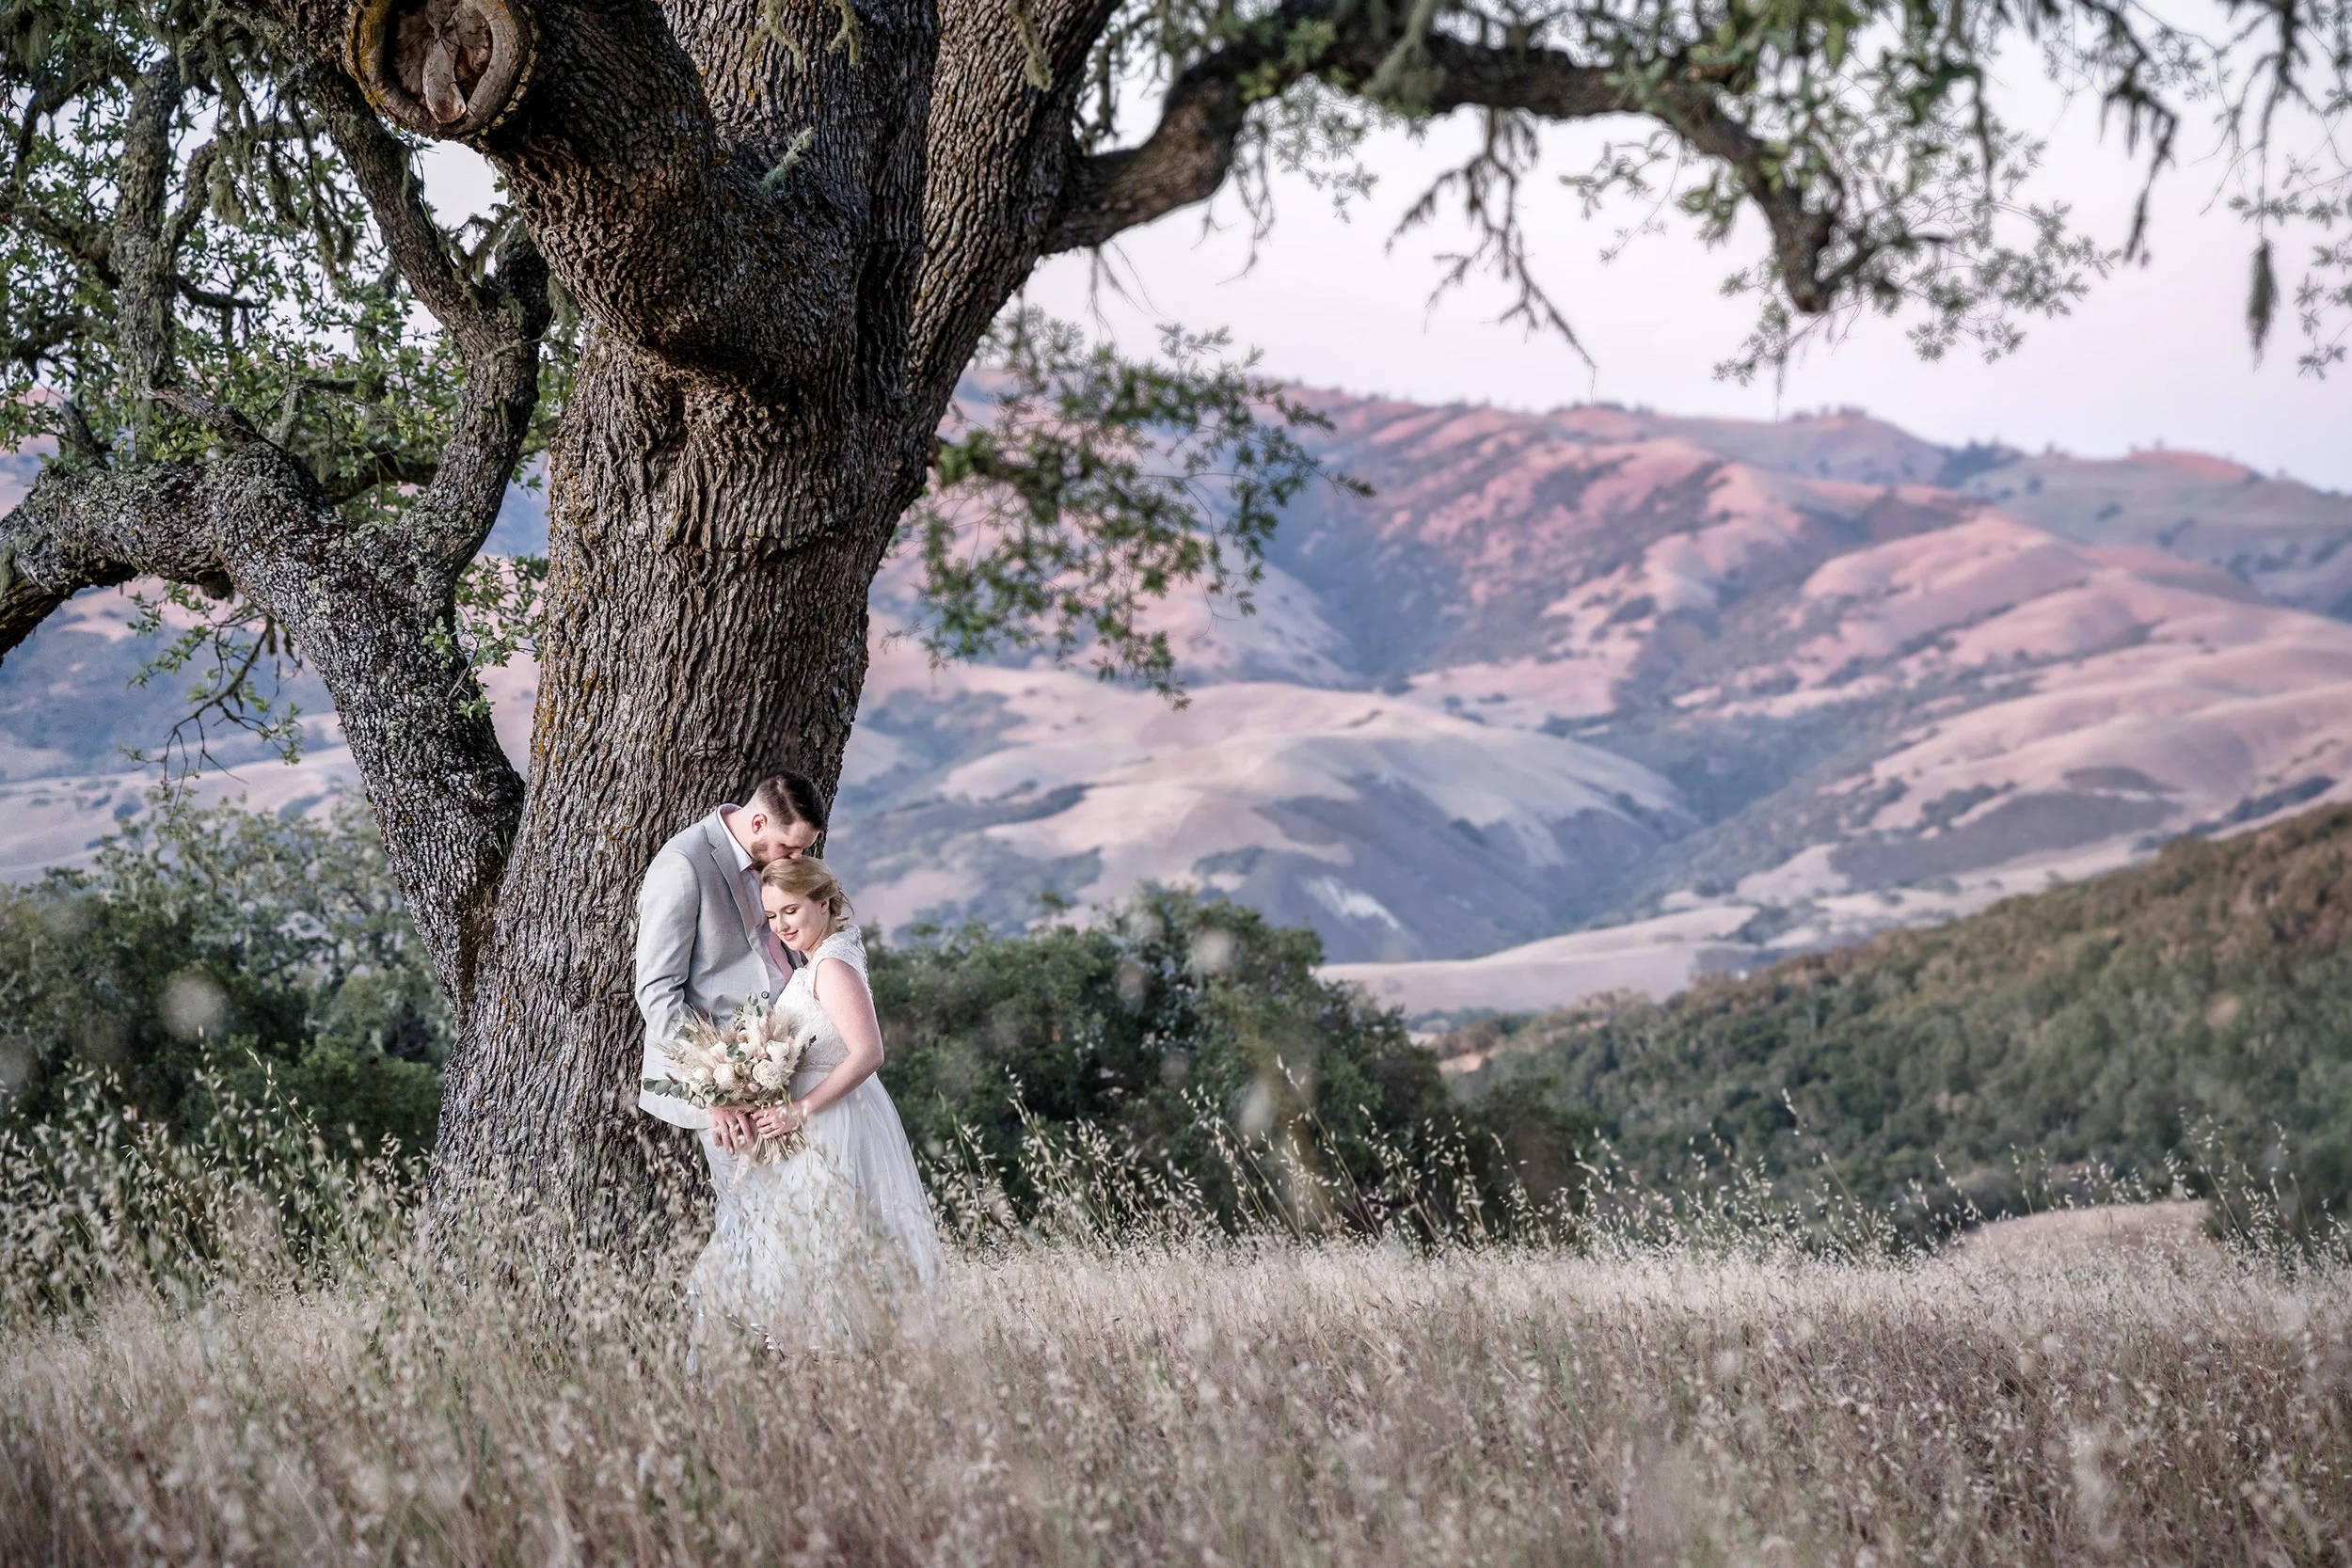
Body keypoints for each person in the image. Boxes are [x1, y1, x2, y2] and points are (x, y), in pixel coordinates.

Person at [685, 856, 945, 1344]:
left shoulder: (831, 966)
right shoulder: (822, 958)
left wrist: (799, 1109)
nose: (782, 926)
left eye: (791, 911)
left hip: (828, 1123)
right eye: (773, 916)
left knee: (826, 1259)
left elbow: (869, 1051)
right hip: (809, 1122)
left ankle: (830, 1387)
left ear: (823, 903)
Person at [632, 772, 824, 1138]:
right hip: (729, 1087)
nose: (797, 859)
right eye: (789, 847)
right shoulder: (683, 864)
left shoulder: (770, 859)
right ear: (758, 823)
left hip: (789, 1065)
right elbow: (657, 992)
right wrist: (715, 1091)